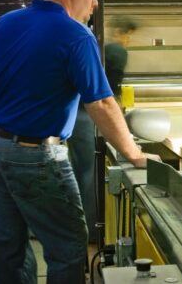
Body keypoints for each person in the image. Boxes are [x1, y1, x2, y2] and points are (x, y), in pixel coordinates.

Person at [0, 0, 160, 284]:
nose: (96, 4)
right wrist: (134, 153)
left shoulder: (6, 22)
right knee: (69, 247)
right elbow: (101, 102)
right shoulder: (76, 35)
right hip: (35, 157)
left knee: (10, 248)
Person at [68, 16, 137, 242]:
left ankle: (81, 225)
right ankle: (93, 232)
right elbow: (108, 94)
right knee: (93, 173)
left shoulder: (100, 47)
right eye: (129, 35)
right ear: (124, 33)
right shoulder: (117, 51)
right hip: (90, 116)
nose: (129, 40)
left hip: (75, 117)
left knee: (81, 171)